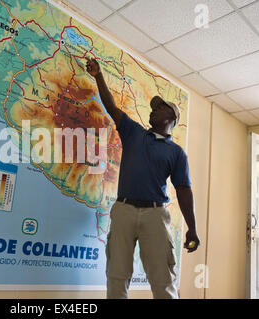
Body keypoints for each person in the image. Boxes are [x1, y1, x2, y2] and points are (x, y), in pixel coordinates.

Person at [85, 57, 200, 299]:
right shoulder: (134, 132)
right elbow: (112, 107)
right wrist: (98, 76)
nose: (154, 109)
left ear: (172, 117)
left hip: (155, 215)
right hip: (124, 210)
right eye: (154, 107)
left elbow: (183, 190)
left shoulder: (176, 152)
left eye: (160, 107)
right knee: (117, 276)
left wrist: (192, 228)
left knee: (163, 280)